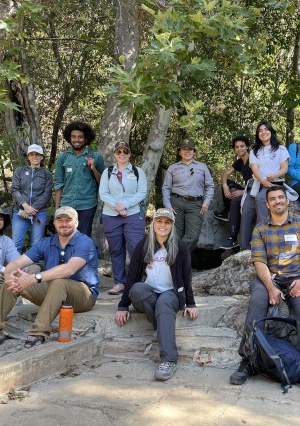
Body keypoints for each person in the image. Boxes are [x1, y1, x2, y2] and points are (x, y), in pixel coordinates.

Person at [0, 206, 100, 354]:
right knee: (15, 278)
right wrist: (10, 275)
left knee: (59, 281)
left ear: (76, 223)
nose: (64, 224)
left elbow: (69, 269)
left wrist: (35, 278)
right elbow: (16, 263)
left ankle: (38, 334)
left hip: (82, 297)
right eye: (60, 220)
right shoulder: (47, 242)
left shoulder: (85, 242)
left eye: (68, 220)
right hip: (52, 294)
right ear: (54, 223)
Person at [229, 186, 300, 393]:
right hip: (269, 278)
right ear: (267, 203)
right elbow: (259, 261)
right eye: (273, 199)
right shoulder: (260, 229)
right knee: (257, 301)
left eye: (281, 197)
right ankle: (248, 360)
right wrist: (271, 287)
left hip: (298, 278)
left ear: (287, 201)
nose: (278, 201)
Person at [115, 208, 199, 381]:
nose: (163, 225)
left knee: (165, 302)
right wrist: (122, 306)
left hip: (171, 294)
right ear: (153, 224)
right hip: (149, 294)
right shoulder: (144, 245)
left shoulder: (180, 247)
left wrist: (190, 303)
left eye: (167, 222)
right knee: (137, 289)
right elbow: (132, 277)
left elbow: (186, 277)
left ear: (172, 225)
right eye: (159, 221)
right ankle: (160, 324)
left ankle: (169, 360)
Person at [99, 141, 148, 295]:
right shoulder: (107, 172)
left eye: (124, 152)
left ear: (129, 154)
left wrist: (125, 205)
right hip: (111, 215)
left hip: (133, 214)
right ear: (114, 154)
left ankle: (136, 282)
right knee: (116, 250)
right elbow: (103, 193)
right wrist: (117, 206)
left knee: (136, 248)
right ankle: (119, 282)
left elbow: (142, 192)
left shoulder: (137, 171)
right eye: (118, 152)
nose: (122, 155)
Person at [54, 121, 105, 238]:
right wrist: (57, 208)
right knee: (65, 236)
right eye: (74, 137)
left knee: (83, 238)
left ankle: (82, 257)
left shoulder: (95, 157)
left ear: (86, 139)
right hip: (66, 204)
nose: (77, 140)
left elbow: (103, 183)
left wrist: (93, 168)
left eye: (80, 137)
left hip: (87, 205)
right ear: (69, 138)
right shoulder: (63, 157)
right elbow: (58, 183)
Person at [162, 139, 215, 253]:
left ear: (194, 151)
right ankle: (176, 266)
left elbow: (210, 186)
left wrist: (206, 202)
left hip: (195, 204)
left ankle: (178, 259)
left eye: (189, 149)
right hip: (176, 203)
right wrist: (167, 206)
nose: (187, 151)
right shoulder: (172, 168)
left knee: (193, 236)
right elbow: (166, 188)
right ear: (179, 152)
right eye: (184, 149)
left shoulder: (202, 167)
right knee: (175, 235)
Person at [11, 144, 53, 253]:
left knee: (36, 243)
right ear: (28, 156)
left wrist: (32, 209)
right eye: (32, 154)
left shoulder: (46, 174)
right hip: (20, 212)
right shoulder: (20, 171)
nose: (35, 157)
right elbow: (15, 190)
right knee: (16, 243)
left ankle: (33, 268)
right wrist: (25, 206)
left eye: (37, 154)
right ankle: (14, 268)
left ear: (42, 157)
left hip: (39, 213)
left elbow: (47, 194)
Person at [247, 121, 290, 227]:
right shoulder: (254, 150)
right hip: (257, 184)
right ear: (257, 134)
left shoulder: (281, 148)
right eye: (260, 131)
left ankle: (263, 233)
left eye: (266, 129)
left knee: (261, 198)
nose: (263, 132)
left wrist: (274, 176)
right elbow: (254, 169)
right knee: (246, 208)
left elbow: (284, 169)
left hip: (274, 183)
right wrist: (263, 181)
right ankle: (245, 243)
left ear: (271, 132)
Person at [215, 135, 253, 250]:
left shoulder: (253, 159)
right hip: (246, 188)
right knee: (228, 183)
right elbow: (225, 175)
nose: (239, 149)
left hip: (254, 189)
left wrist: (243, 192)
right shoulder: (239, 162)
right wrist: (225, 186)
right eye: (236, 147)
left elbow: (257, 180)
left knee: (235, 202)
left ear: (247, 146)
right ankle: (226, 212)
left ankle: (233, 239)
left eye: (242, 146)